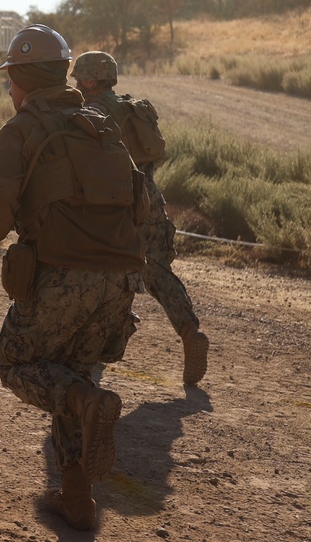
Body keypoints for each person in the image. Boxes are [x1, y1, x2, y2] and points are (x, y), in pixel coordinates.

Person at [0, 25, 148, 530]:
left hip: (61, 276)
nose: (9, 90)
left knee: (19, 363)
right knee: (73, 369)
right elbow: (143, 203)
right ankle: (77, 497)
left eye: (11, 80)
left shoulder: (21, 129)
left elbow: (1, 200)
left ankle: (87, 403)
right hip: (119, 280)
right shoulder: (98, 123)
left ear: (24, 79)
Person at [71, 51, 210, 386]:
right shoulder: (132, 108)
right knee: (157, 270)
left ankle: (95, 352)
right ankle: (190, 332)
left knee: (108, 275)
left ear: (91, 80)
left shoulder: (91, 112)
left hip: (115, 202)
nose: (75, 83)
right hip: (149, 195)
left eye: (79, 78)